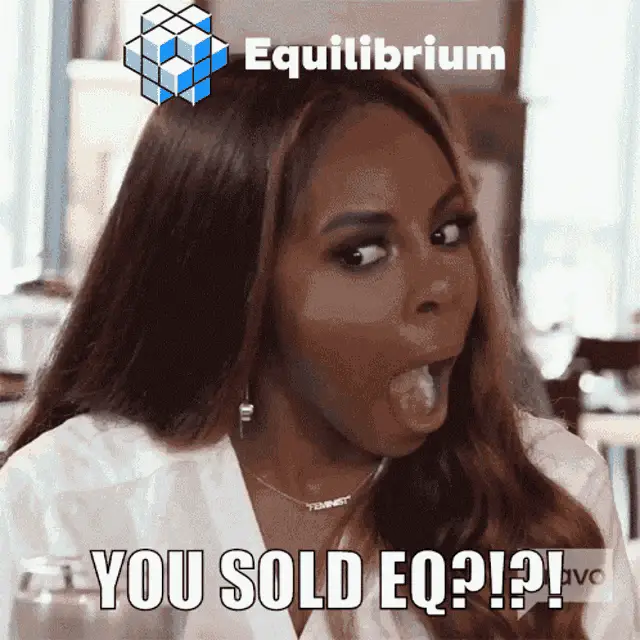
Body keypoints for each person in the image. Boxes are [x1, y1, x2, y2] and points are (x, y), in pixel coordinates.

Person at [0, 54, 637, 639]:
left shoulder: (554, 494)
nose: (442, 285)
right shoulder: (62, 503)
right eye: (363, 253)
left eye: (448, 233)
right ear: (231, 285)